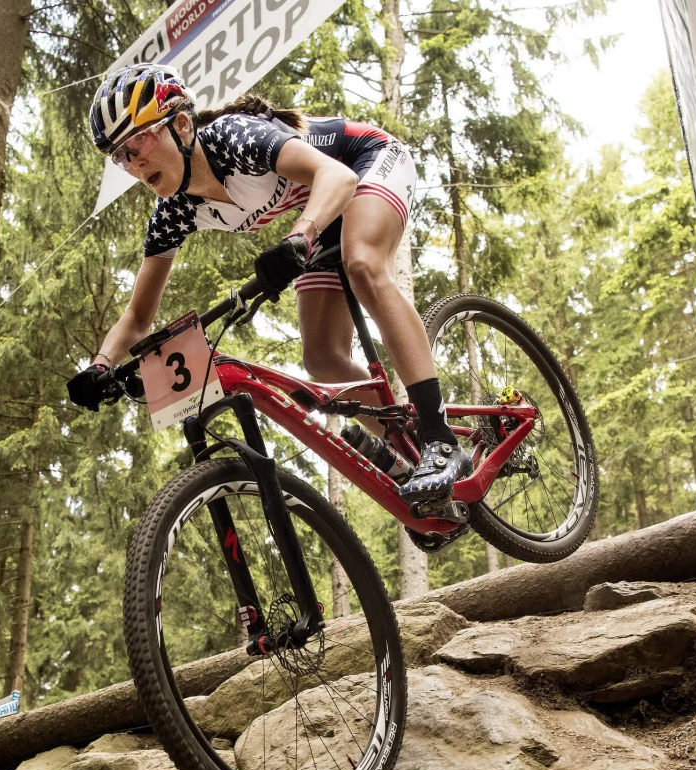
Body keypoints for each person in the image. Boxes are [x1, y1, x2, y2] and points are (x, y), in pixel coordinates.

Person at [66, 65, 472, 504]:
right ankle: (407, 449)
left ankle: (439, 437)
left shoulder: (231, 137)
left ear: (181, 125)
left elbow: (337, 178)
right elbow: (138, 316)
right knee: (322, 357)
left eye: (137, 142)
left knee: (364, 264)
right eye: (119, 156)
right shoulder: (173, 212)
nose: (131, 163)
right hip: (322, 217)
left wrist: (300, 235)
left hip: (362, 163)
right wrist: (101, 366)